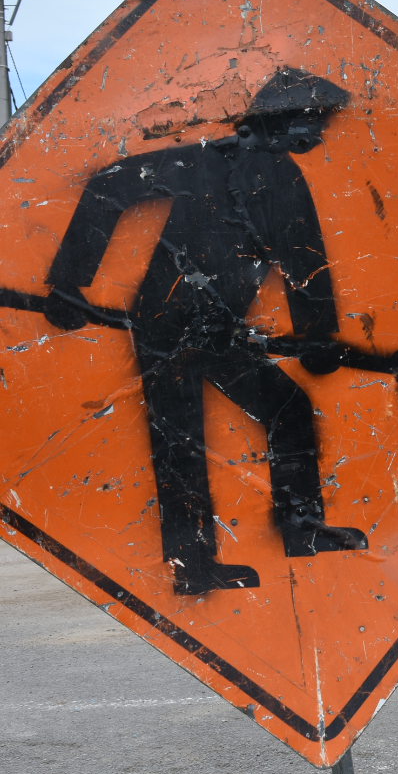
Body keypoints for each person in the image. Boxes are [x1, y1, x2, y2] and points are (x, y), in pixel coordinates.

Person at [42, 68, 368, 596]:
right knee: (180, 443)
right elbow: (109, 186)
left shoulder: (284, 180)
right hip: (165, 327)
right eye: (312, 120)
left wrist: (317, 338)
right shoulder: (202, 161)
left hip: (218, 328)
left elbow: (304, 260)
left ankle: (302, 528)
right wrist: (68, 283)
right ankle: (192, 566)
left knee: (288, 408)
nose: (320, 134)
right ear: (280, 117)